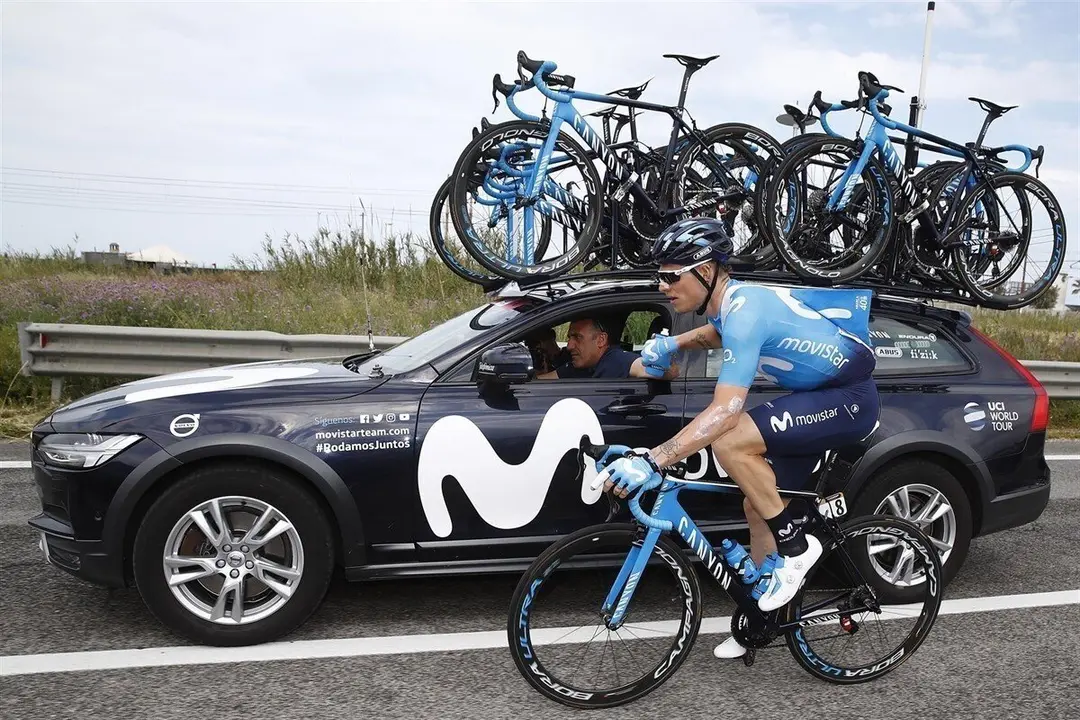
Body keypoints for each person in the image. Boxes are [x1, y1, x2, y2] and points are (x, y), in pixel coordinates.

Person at [594, 216, 880, 660]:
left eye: (671, 276)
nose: (662, 286)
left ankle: (796, 548)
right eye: (659, 277)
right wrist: (672, 344)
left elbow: (726, 410)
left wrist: (653, 460)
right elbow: (716, 331)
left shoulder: (745, 310)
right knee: (757, 504)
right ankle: (763, 617)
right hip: (822, 395)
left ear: (706, 271)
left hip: (848, 399)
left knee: (730, 441)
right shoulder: (730, 304)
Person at [535, 316, 679, 380]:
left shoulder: (615, 359)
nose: (569, 346)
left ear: (601, 340)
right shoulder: (579, 365)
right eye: (569, 338)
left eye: (577, 337)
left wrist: (661, 357)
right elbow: (540, 380)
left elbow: (669, 371)